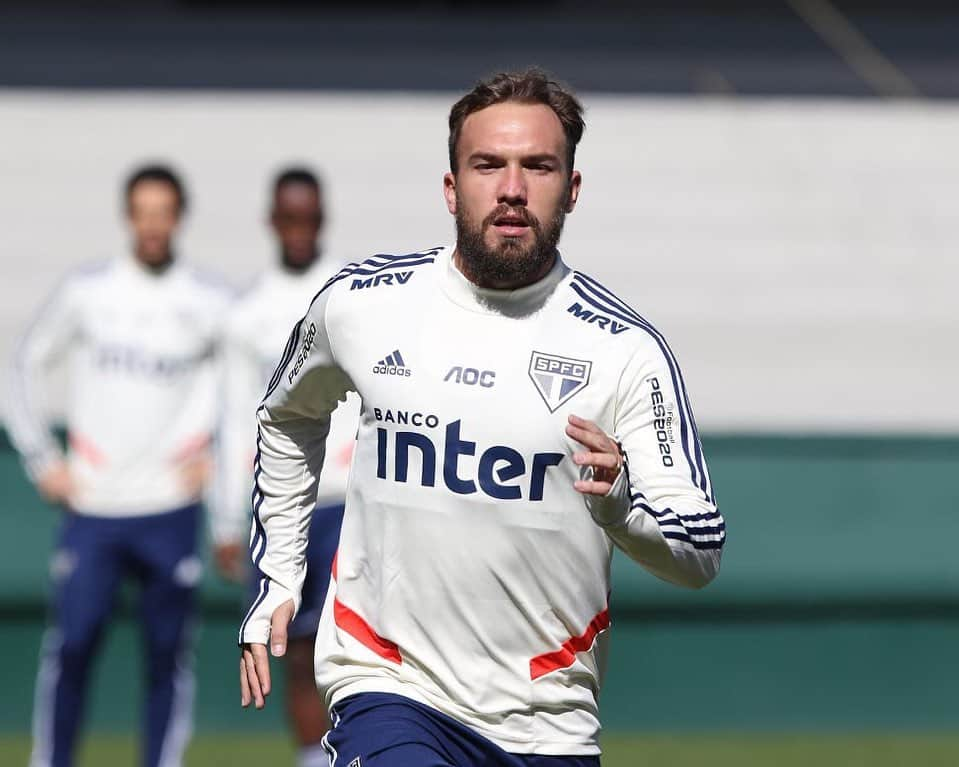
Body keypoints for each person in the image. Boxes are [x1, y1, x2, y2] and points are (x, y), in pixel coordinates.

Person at [238, 70, 725, 766]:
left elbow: (700, 548)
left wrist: (622, 507)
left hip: (547, 721)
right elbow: (286, 417)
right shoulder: (360, 305)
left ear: (573, 188)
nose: (511, 188)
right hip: (390, 687)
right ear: (449, 186)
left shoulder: (624, 351)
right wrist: (280, 576)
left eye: (538, 166)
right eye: (487, 164)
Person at [6, 165, 231, 767]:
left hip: (169, 509)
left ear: (179, 217)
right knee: (73, 646)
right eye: (143, 211)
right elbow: (20, 367)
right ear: (128, 216)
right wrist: (42, 459)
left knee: (166, 656)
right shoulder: (89, 291)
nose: (153, 224)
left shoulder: (209, 302)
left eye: (164, 212)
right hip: (94, 507)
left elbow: (257, 380)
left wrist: (220, 455)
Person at [212, 167, 360, 767]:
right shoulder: (246, 313)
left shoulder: (350, 291)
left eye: (311, 218)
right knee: (294, 648)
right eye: (290, 218)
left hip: (352, 500)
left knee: (356, 648)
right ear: (272, 222)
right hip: (284, 506)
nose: (301, 230)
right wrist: (226, 520)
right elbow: (233, 420)